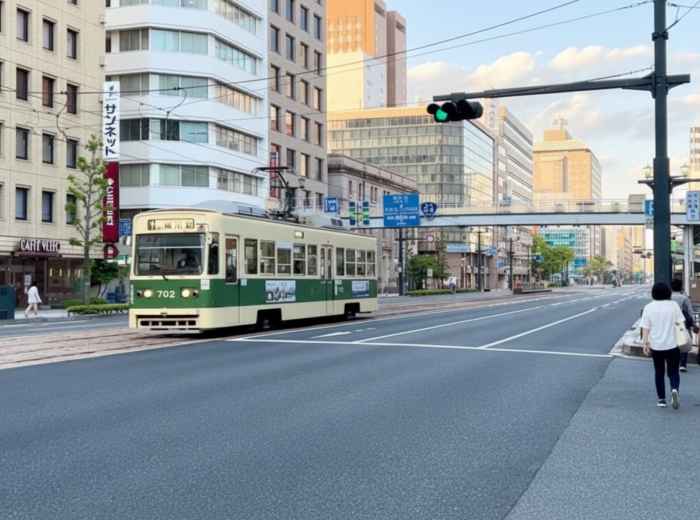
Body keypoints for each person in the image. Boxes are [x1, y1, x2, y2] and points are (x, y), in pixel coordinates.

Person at [641, 282, 684, 409]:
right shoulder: (674, 305)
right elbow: (680, 323)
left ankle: (661, 399)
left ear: (653, 293)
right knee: (674, 371)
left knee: (659, 372)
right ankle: (674, 389)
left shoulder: (649, 307)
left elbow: (645, 328)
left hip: (656, 345)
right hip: (673, 344)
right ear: (668, 292)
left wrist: (645, 344)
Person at [671, 278, 697, 371]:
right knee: (684, 342)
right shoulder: (684, 298)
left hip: (670, 323)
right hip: (682, 323)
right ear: (681, 286)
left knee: (673, 342)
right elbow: (690, 311)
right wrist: (694, 324)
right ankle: (682, 364)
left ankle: (673, 362)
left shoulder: (668, 297)